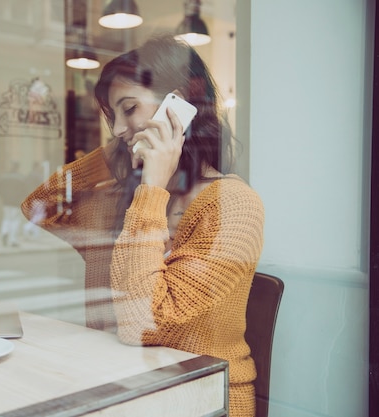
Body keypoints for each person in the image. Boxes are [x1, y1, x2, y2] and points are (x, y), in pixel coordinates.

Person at [21, 33, 264, 417]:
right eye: (111, 116)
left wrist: (152, 188)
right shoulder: (119, 197)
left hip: (201, 400)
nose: (117, 128)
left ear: (179, 106)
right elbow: (38, 205)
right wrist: (114, 153)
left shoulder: (233, 205)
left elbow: (140, 324)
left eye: (129, 108)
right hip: (119, 388)